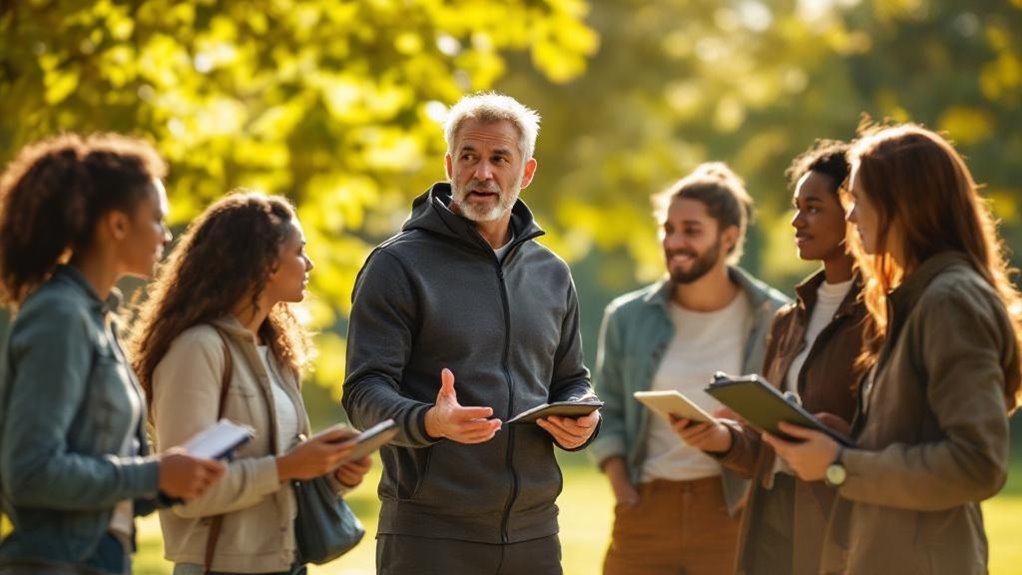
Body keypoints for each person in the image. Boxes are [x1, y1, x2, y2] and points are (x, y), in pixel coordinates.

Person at [342, 92, 600, 575]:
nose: (483, 173)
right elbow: (363, 392)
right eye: (469, 156)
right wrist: (428, 421)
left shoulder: (551, 273)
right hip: (429, 535)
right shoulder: (396, 266)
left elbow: (571, 379)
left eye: (499, 158)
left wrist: (584, 420)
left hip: (535, 535)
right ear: (449, 164)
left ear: (525, 172)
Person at [763, 124, 1021, 575]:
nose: (851, 216)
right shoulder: (917, 297)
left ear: (902, 203)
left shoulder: (949, 301)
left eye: (858, 200)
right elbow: (917, 437)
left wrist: (841, 463)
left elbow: (977, 464)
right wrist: (847, 439)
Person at [0, 134, 225, 575]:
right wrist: (153, 474)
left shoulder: (99, 318)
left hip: (100, 557)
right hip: (56, 562)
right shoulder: (59, 316)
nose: (166, 234)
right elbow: (29, 471)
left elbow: (107, 476)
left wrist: (171, 481)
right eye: (157, 219)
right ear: (116, 225)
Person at [129, 192, 372, 575]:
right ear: (265, 264)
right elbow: (185, 490)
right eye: (299, 252)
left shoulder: (274, 351)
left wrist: (328, 475)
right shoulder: (197, 349)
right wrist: (288, 466)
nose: (309, 264)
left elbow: (280, 472)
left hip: (286, 563)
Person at [588, 163, 789, 575]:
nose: (674, 241)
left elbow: (784, 417)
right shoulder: (626, 317)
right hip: (644, 511)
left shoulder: (776, 318)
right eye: (668, 228)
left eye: (691, 230)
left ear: (728, 237)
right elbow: (604, 408)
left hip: (732, 512)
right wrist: (623, 489)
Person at [678, 141, 866, 575]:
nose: (797, 221)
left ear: (854, 210)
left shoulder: (883, 314)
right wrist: (721, 438)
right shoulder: (788, 319)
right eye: (797, 207)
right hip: (771, 518)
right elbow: (769, 445)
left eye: (814, 208)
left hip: (838, 525)